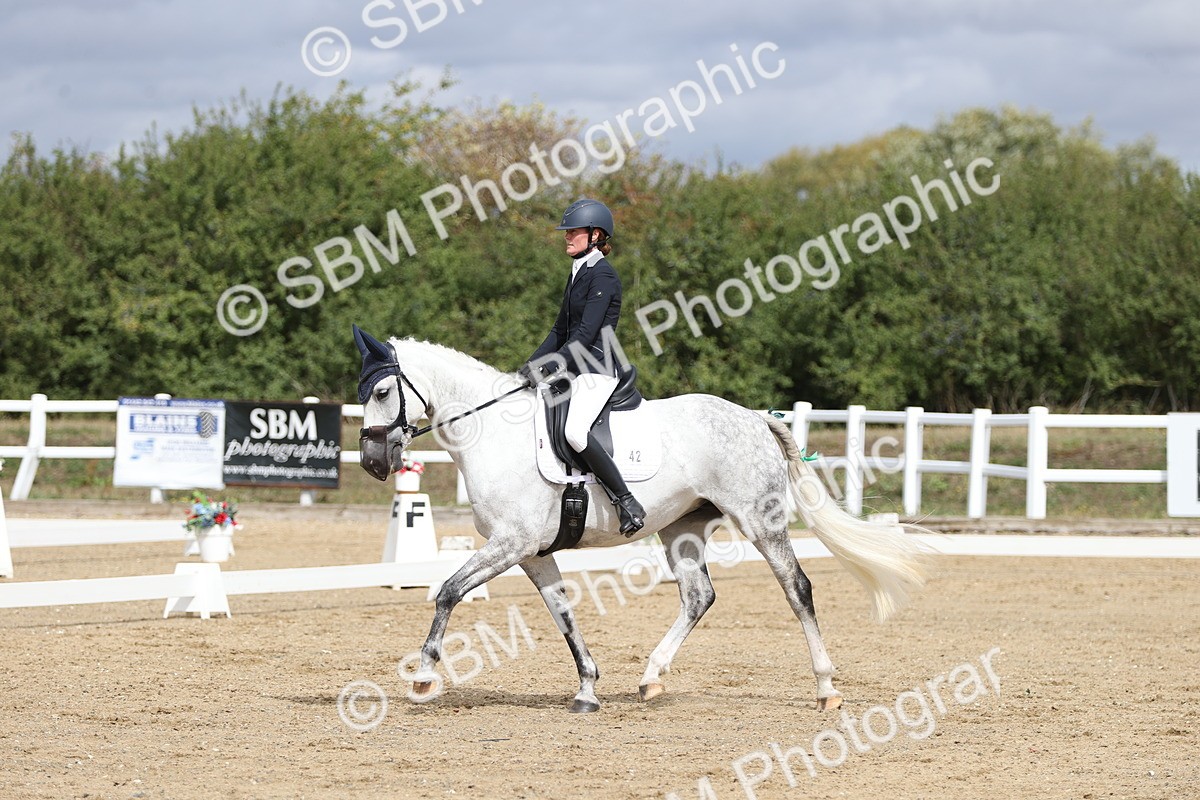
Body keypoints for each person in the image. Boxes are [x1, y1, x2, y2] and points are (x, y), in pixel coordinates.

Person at [519, 198, 646, 534]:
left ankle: (626, 501)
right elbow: (560, 330)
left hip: (598, 369)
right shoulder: (578, 272)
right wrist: (529, 366)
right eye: (567, 231)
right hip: (575, 367)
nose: (567, 236)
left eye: (573, 231)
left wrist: (550, 367)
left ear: (595, 234)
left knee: (574, 431)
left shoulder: (603, 274)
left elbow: (587, 333)